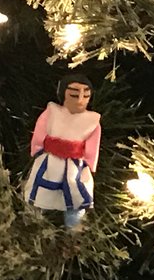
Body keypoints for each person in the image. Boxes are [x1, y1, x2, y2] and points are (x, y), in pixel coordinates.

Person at [23, 73, 101, 228]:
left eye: (85, 95)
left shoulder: (92, 122)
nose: (79, 100)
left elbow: (93, 146)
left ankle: (74, 232)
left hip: (75, 165)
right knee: (41, 193)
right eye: (73, 94)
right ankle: (33, 225)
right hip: (50, 161)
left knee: (76, 197)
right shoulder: (51, 113)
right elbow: (40, 133)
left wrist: (89, 165)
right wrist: (38, 151)